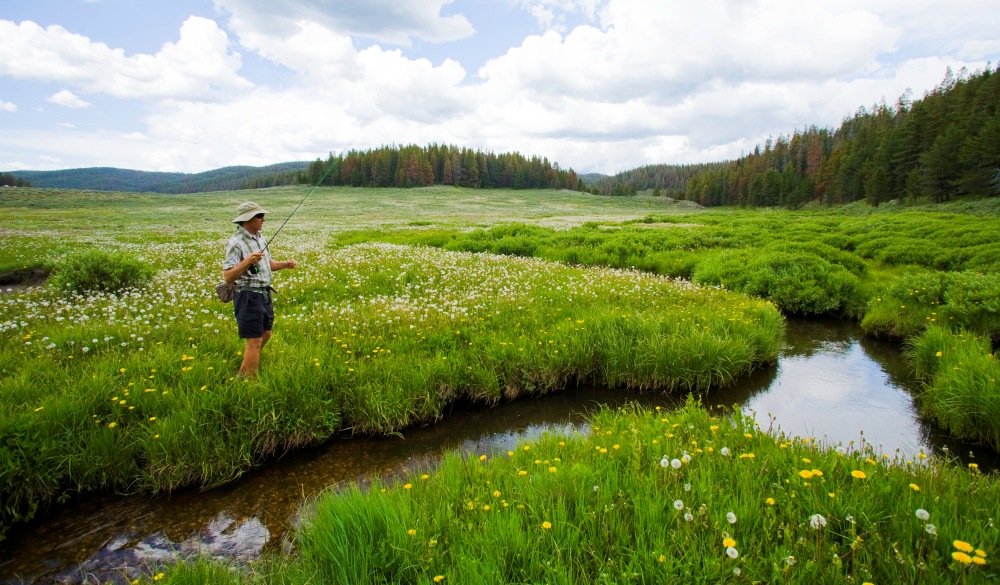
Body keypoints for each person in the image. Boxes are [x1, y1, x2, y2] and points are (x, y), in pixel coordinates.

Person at [222, 201, 297, 378]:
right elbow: (228, 277)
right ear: (247, 219)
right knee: (255, 340)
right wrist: (247, 261)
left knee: (266, 334)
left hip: (264, 294)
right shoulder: (236, 242)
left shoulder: (259, 238)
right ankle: (248, 380)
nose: (263, 219)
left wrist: (285, 264)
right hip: (248, 295)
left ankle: (246, 366)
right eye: (259, 216)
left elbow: (268, 264)